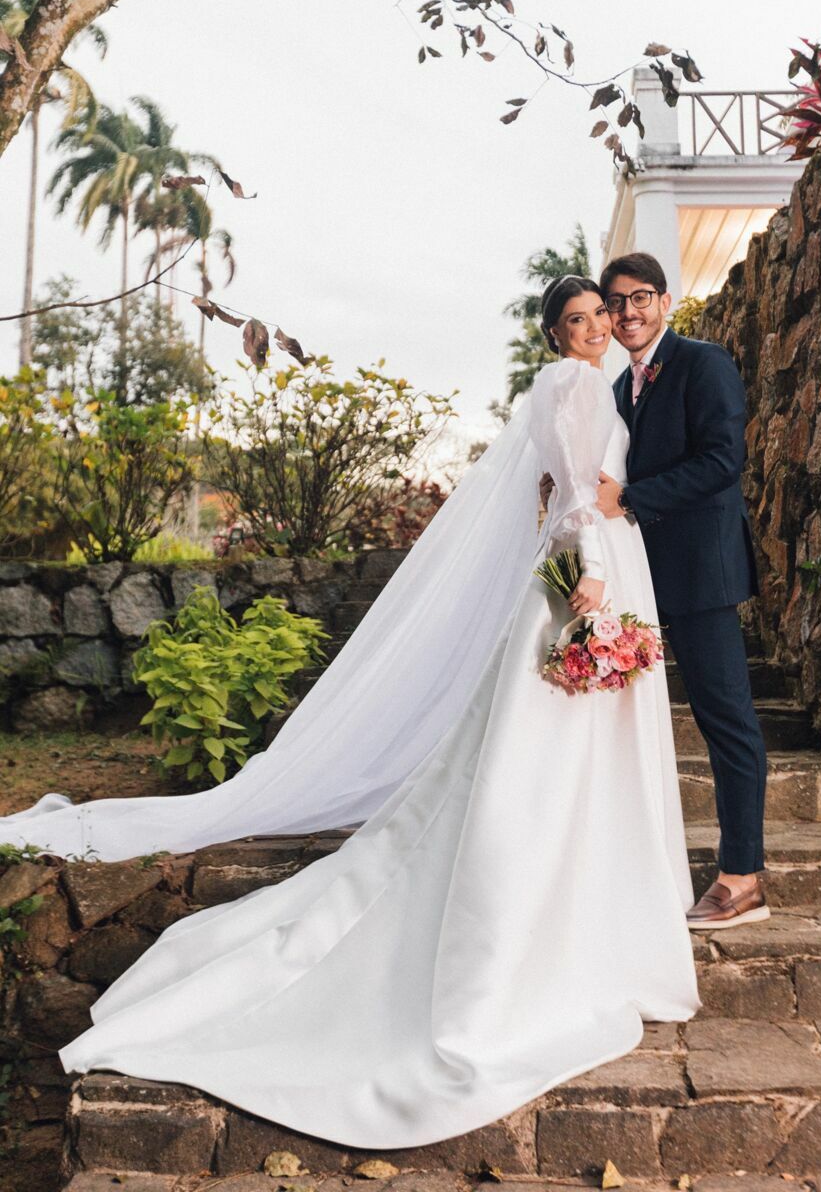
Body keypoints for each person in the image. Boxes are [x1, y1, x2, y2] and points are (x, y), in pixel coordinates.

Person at [0, 276, 699, 1150]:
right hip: (587, 579)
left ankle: (588, 892)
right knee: (548, 751)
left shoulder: (591, 383)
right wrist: (590, 579)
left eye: (599, 315)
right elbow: (573, 499)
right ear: (555, 334)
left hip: (602, 571)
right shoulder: (573, 384)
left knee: (574, 748)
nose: (594, 327)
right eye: (576, 320)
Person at [597, 252, 768, 931]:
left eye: (640, 297)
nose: (628, 312)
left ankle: (742, 879)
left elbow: (724, 460)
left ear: (665, 301)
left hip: (701, 571)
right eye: (615, 302)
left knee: (725, 719)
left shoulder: (703, 363)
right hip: (638, 577)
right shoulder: (617, 389)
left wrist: (630, 498)